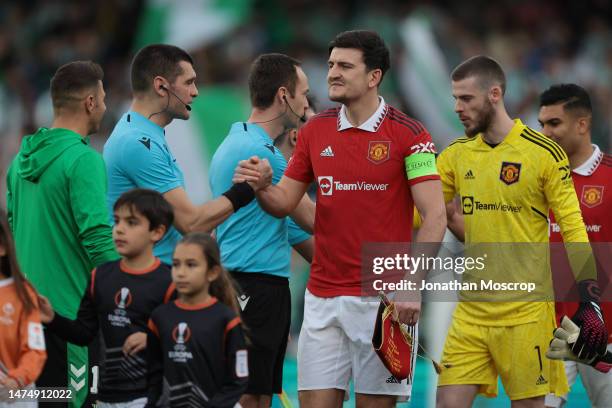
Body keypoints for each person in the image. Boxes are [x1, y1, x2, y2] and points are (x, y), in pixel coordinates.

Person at [235, 30, 447, 407]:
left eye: (345, 66)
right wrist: (263, 185)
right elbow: (285, 202)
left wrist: (412, 286)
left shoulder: (412, 136)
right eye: (331, 64)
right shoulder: (314, 130)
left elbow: (434, 216)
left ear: (374, 76)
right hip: (322, 299)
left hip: (385, 303)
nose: (332, 72)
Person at [434, 56, 606, 407]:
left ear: (494, 94)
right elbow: (426, 214)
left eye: (466, 99)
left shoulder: (544, 154)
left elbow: (573, 229)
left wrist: (589, 300)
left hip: (527, 316)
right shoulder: (455, 154)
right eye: (455, 99)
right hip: (471, 313)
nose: (457, 108)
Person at [6, 61, 117, 407]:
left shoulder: (17, 163)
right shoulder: (83, 160)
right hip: (69, 322)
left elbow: (11, 232)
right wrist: (129, 288)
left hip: (25, 319)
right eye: (102, 98)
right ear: (89, 102)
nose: (104, 106)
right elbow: (98, 238)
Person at [209, 53, 314, 408]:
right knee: (249, 397)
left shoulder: (241, 140)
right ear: (284, 95)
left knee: (256, 395)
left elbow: (301, 237)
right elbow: (313, 219)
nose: (306, 104)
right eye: (304, 94)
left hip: (254, 285)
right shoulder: (262, 152)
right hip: (253, 286)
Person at [104, 44, 256, 265]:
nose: (195, 91)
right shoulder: (136, 142)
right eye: (189, 82)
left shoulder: (143, 134)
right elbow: (191, 224)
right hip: (146, 287)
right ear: (161, 86)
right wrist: (247, 187)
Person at [38, 189, 175, 408]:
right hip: (106, 398)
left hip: (150, 398)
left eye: (131, 222)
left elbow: (191, 341)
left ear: (157, 232)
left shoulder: (170, 281)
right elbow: (83, 333)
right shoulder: (99, 276)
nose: (119, 229)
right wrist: (52, 318)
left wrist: (153, 339)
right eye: (117, 220)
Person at [537, 84, 612, 408]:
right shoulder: (538, 181)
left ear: (582, 124)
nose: (545, 132)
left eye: (554, 123)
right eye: (541, 124)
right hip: (550, 333)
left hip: (604, 333)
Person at [146, 233, 248, 407]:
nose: (181, 272)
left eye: (191, 265)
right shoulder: (159, 317)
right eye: (176, 264)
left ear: (212, 272)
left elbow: (238, 381)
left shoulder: (227, 320)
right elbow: (154, 377)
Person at [0, 209, 46, 407]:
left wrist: (17, 380)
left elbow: (34, 351)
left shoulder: (22, 294)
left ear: (2, 247)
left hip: (15, 398)